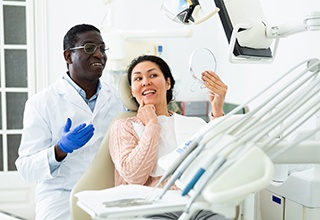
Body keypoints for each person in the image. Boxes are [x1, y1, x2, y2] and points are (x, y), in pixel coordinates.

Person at [15, 24, 125, 220]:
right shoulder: (41, 103)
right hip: (61, 198)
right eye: (90, 48)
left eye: (102, 48)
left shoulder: (116, 98)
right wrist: (60, 149)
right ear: (68, 56)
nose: (99, 55)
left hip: (108, 195)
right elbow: (26, 169)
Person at [108, 55, 229, 219]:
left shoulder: (194, 124)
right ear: (132, 90)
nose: (145, 82)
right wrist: (152, 125)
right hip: (149, 208)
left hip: (196, 206)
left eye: (153, 75)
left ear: (168, 83)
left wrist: (217, 110)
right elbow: (134, 176)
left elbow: (219, 163)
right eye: (138, 78)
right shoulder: (124, 127)